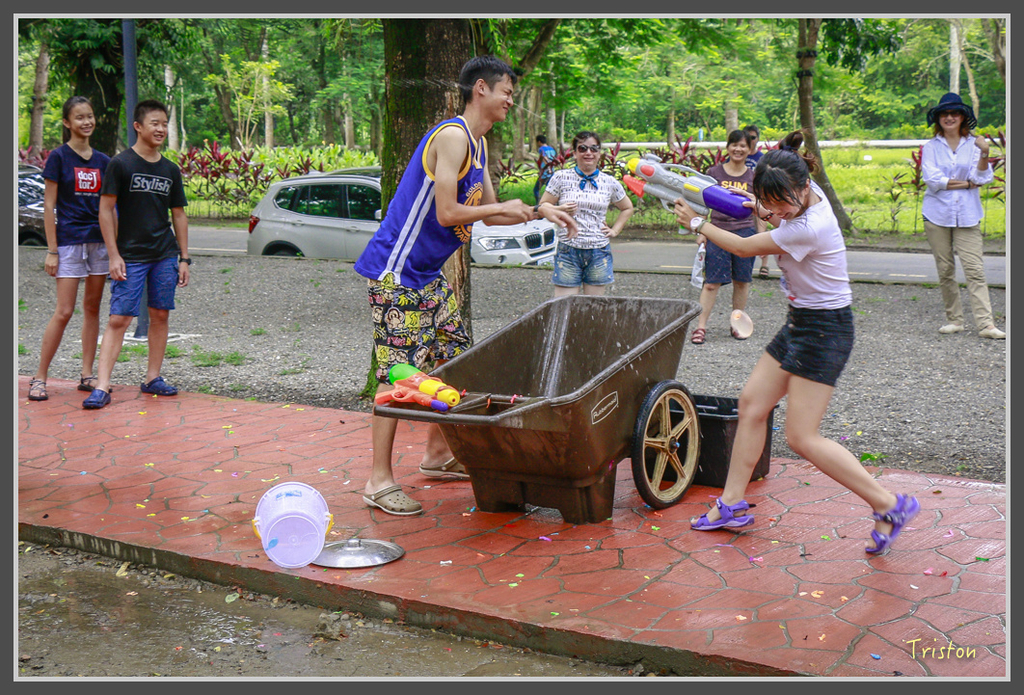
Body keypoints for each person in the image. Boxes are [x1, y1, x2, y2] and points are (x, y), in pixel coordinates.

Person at [673, 129, 920, 556]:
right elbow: (776, 199)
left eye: (781, 201)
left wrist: (697, 223)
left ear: (804, 188)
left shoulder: (810, 225)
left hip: (826, 331)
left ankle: (890, 504)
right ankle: (731, 504)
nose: (774, 210)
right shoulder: (802, 188)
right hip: (800, 322)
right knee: (751, 405)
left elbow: (745, 247)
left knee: (803, 437)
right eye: (767, 201)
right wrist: (767, 206)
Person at [353, 56, 577, 516]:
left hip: (428, 277)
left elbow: (493, 213)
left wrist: (539, 211)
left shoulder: (478, 145)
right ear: (481, 89)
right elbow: (448, 215)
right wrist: (512, 207)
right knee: (397, 375)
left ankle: (436, 455)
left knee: (455, 360)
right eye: (507, 93)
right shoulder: (453, 136)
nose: (511, 101)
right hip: (396, 272)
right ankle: (378, 480)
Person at [83, 99, 190, 409]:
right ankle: (102, 386)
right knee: (120, 317)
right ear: (138, 126)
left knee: (160, 314)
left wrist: (184, 258)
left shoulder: (170, 169)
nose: (160, 128)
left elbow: (179, 215)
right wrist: (113, 255)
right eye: (154, 123)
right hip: (130, 255)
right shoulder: (121, 163)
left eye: (164, 123)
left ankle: (152, 378)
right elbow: (105, 210)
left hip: (164, 254)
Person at [27, 96, 111, 402]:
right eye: (79, 117)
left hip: (98, 243)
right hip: (69, 242)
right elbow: (49, 207)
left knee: (92, 308)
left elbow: (109, 207)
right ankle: (39, 377)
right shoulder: (59, 158)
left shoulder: (103, 161)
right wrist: (52, 249)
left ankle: (87, 374)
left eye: (89, 116)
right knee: (63, 311)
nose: (86, 122)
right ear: (67, 123)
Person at [921, 92, 1004, 340]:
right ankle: (954, 320)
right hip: (936, 214)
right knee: (945, 269)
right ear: (938, 119)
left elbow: (983, 178)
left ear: (963, 117)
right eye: (944, 114)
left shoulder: (975, 145)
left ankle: (986, 324)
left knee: (974, 269)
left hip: (968, 215)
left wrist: (985, 153)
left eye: (954, 113)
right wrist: (967, 184)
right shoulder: (931, 147)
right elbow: (933, 180)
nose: (949, 118)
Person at [689, 129, 765, 344]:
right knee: (711, 283)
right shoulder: (714, 173)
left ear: (750, 149)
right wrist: (701, 232)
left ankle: (737, 324)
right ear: (728, 147)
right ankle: (701, 326)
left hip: (745, 233)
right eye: (734, 144)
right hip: (717, 232)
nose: (738, 149)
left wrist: (761, 238)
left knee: (741, 281)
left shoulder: (753, 177)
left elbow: (760, 210)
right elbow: (701, 203)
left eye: (743, 146)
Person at [539, 131, 633, 297]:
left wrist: (615, 230)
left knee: (593, 308)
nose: (588, 153)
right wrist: (560, 209)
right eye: (582, 148)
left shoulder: (609, 182)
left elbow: (627, 208)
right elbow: (543, 206)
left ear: (599, 154)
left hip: (599, 251)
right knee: (564, 306)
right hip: (568, 249)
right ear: (574, 153)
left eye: (593, 148)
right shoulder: (561, 177)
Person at [743, 124, 771, 279]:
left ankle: (764, 265)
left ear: (757, 139)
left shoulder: (762, 158)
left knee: (761, 231)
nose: (750, 140)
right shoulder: (739, 155)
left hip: (759, 198)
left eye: (753, 137)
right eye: (747, 136)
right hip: (740, 199)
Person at [533, 134, 557, 204]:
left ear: (539, 142)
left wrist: (546, 168)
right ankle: (553, 204)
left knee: (536, 189)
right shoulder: (552, 149)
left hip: (545, 172)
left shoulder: (541, 149)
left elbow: (544, 158)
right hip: (552, 172)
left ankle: (538, 204)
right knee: (550, 189)